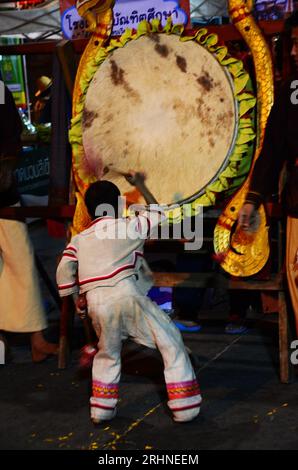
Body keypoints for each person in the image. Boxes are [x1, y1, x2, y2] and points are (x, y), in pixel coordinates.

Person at [56, 174, 202, 424]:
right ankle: (185, 406)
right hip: (127, 296)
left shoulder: (79, 239)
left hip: (97, 304)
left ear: (90, 211)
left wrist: (77, 297)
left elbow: (63, 271)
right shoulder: (127, 226)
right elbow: (158, 213)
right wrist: (142, 185)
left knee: (108, 353)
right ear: (119, 206)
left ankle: (101, 410)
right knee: (170, 341)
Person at [238, 10, 298, 335]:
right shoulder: (290, 92)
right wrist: (253, 199)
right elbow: (271, 151)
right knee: (296, 274)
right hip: (297, 202)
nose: (292, 52)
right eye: (292, 44)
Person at [0, 84, 57, 362]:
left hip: (2, 189)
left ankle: (37, 338)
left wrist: (8, 162)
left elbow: (10, 130)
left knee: (21, 260)